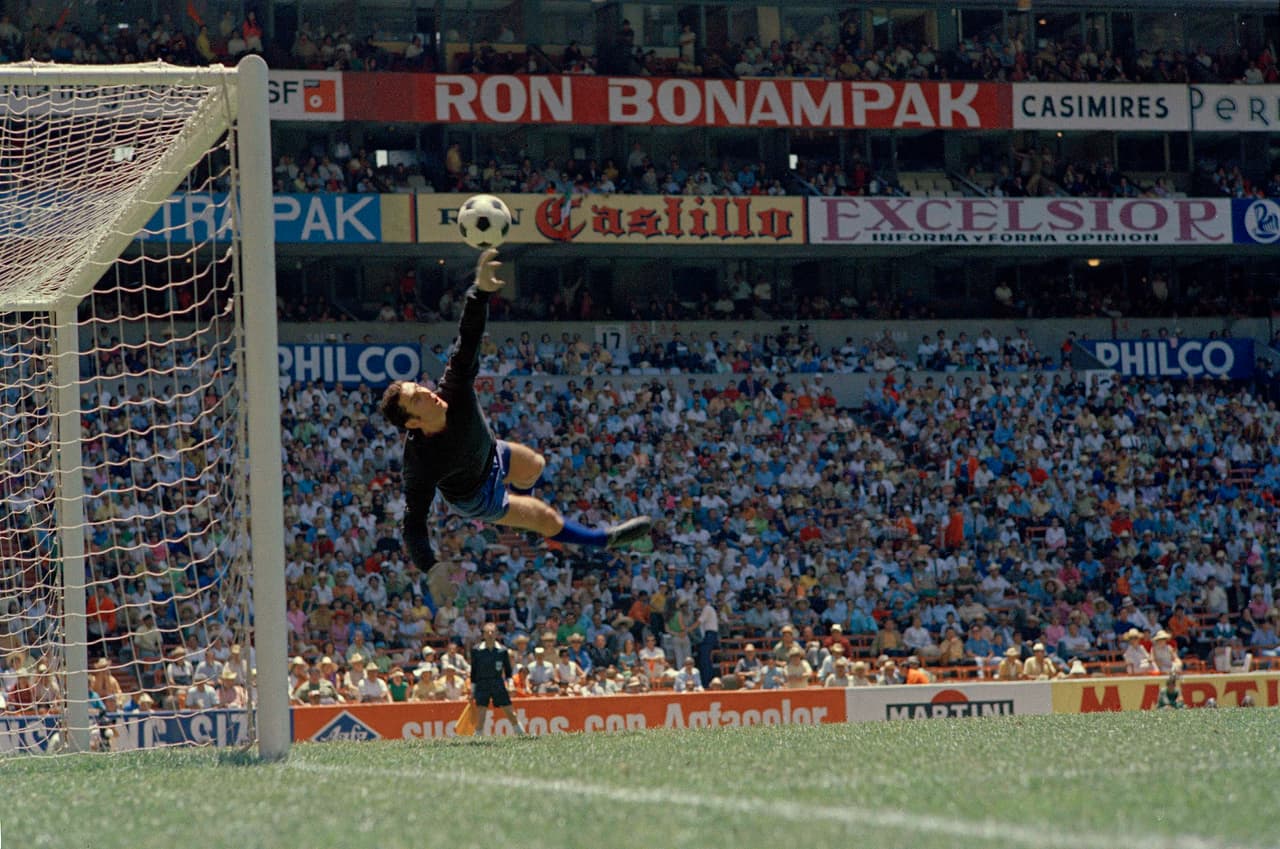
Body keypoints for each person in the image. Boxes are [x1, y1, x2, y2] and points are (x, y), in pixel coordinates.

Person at [378, 249, 652, 567]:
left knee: (535, 464)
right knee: (546, 518)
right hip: (478, 498)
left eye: (419, 388)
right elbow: (413, 524)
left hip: (491, 453)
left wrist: (479, 292)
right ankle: (605, 539)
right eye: (416, 400)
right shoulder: (420, 461)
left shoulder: (454, 389)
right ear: (412, 423)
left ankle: (530, 518)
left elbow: (468, 337)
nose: (426, 393)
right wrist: (431, 565)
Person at [470, 622, 526, 735]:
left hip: (497, 682)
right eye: (487, 632)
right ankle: (477, 737)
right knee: (481, 712)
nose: (490, 634)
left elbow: (508, 672)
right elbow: (473, 672)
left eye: (492, 632)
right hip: (482, 683)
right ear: (483, 635)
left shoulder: (502, 650)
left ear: (496, 634)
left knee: (509, 711)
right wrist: (472, 690)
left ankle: (521, 733)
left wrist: (510, 685)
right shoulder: (476, 650)